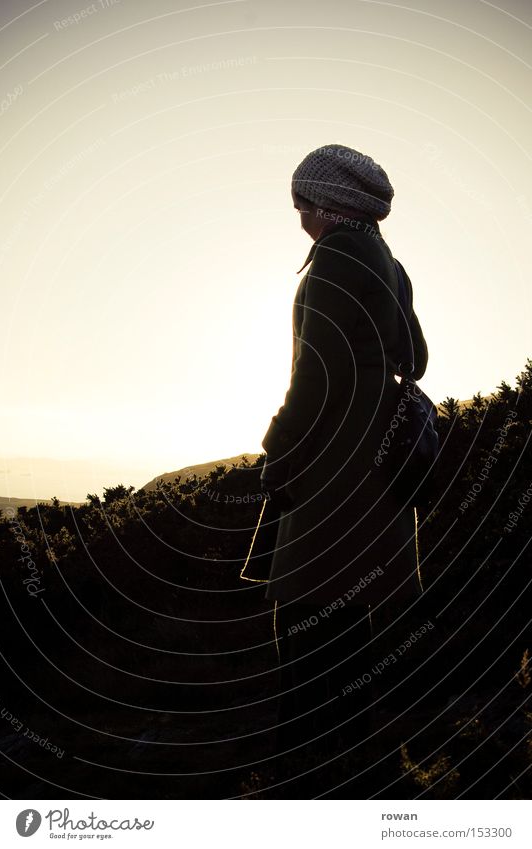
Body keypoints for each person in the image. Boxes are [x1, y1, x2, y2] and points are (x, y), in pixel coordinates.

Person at [259, 144, 429, 768]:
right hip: (375, 473)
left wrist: (276, 450)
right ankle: (354, 763)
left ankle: (299, 774)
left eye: (301, 200)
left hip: (328, 473)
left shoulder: (333, 263)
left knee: (304, 627)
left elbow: (314, 382)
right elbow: (415, 359)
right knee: (349, 620)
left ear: (326, 204)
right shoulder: (389, 263)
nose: (298, 212)